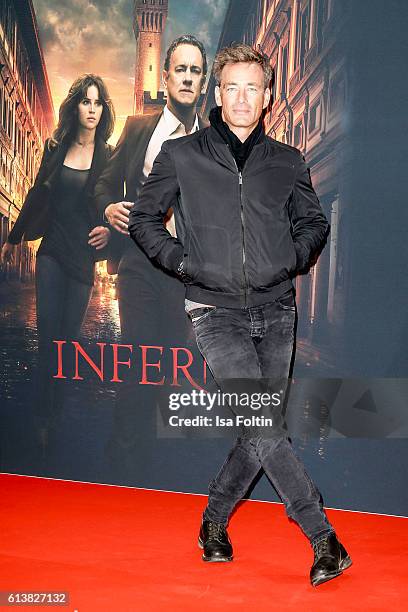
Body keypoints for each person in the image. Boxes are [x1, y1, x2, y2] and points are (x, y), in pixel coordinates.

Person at [128, 43, 352, 587]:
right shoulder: (183, 155)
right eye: (233, 86)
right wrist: (186, 264)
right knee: (262, 425)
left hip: (278, 310)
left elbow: (314, 224)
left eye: (254, 86)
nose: (244, 96)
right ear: (217, 92)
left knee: (258, 432)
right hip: (213, 311)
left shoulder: (288, 160)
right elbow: (143, 220)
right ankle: (323, 537)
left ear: (268, 95)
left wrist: (291, 259)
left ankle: (213, 522)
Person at [94, 35, 208, 474]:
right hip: (140, 261)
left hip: (187, 270)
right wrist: (107, 206)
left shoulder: (211, 139)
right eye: (179, 69)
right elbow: (105, 182)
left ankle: (164, 472)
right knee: (137, 359)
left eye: (195, 71)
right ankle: (123, 462)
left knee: (175, 367)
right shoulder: (139, 127)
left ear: (202, 81)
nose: (186, 78)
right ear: (165, 76)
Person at [1, 74, 115, 440]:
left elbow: (112, 203)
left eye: (98, 102)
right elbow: (36, 192)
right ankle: (41, 420)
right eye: (86, 101)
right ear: (76, 107)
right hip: (50, 250)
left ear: (104, 109)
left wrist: (110, 233)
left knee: (68, 344)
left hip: (82, 258)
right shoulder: (56, 147)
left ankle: (58, 414)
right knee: (48, 338)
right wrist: (13, 237)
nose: (92, 109)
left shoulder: (108, 155)